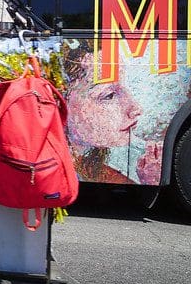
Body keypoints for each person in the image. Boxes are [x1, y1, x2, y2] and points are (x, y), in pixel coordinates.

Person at [63, 41, 160, 185]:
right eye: (108, 95)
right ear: (63, 101)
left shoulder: (87, 167)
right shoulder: (63, 171)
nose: (136, 109)